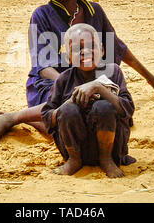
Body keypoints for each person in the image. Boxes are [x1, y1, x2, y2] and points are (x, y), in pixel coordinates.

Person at [0, 0, 154, 150]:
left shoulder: (95, 11)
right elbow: (43, 67)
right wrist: (72, 86)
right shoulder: (42, 15)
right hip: (52, 85)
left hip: (90, 81)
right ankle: (13, 117)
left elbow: (118, 47)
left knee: (118, 118)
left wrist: (152, 79)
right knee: (65, 124)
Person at [41, 23, 134, 178]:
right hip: (77, 148)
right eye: (77, 49)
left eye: (92, 46)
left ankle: (106, 159)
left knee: (104, 106)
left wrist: (100, 88)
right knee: (67, 110)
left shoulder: (113, 72)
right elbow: (47, 117)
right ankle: (74, 160)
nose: (85, 51)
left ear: (102, 50)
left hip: (112, 147)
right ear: (67, 57)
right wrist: (70, 101)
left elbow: (128, 109)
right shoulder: (63, 80)